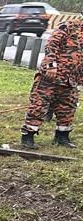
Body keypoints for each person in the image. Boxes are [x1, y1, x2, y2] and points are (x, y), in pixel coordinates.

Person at [21, 20, 83, 149]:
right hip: (51, 77)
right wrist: (50, 65)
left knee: (68, 108)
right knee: (38, 106)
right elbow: (51, 45)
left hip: (70, 80)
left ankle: (62, 136)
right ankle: (28, 136)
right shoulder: (69, 27)